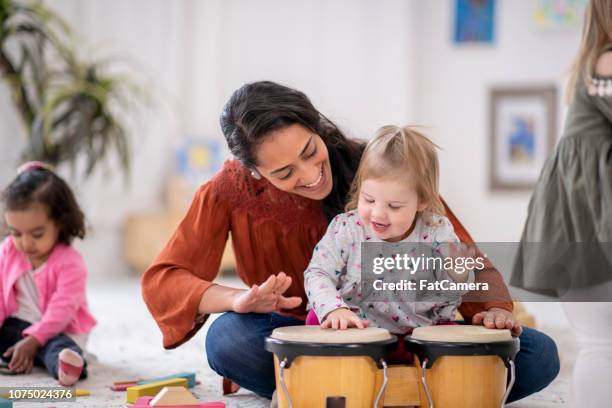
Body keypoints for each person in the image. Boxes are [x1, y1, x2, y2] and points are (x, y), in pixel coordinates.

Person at [142, 81, 559, 402]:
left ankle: (352, 393)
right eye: (284, 173)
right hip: (309, 338)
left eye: (310, 151)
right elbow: (166, 279)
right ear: (253, 172)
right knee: (227, 338)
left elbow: (462, 257)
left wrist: (493, 312)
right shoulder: (228, 190)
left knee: (537, 353)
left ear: (316, 125)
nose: (308, 176)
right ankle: (419, 392)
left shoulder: (378, 173)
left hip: (413, 334)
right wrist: (237, 300)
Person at [512, 0, 612, 405]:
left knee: (597, 343)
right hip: (585, 221)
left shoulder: (596, 64)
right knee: (599, 343)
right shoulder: (606, 63)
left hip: (576, 219)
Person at [305, 125, 473, 332]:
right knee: (316, 318)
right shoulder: (346, 228)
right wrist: (333, 309)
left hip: (416, 329)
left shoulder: (437, 231)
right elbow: (317, 273)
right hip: (355, 328)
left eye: (394, 206)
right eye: (368, 199)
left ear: (422, 201)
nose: (377, 214)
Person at [0, 162, 96, 386]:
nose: (24, 243)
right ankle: (24, 353)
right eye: (16, 233)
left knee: (56, 349)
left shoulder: (70, 263)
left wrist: (34, 339)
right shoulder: (8, 250)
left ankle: (67, 365)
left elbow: (61, 310)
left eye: (37, 233)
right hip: (17, 325)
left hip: (57, 330)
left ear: (59, 223)